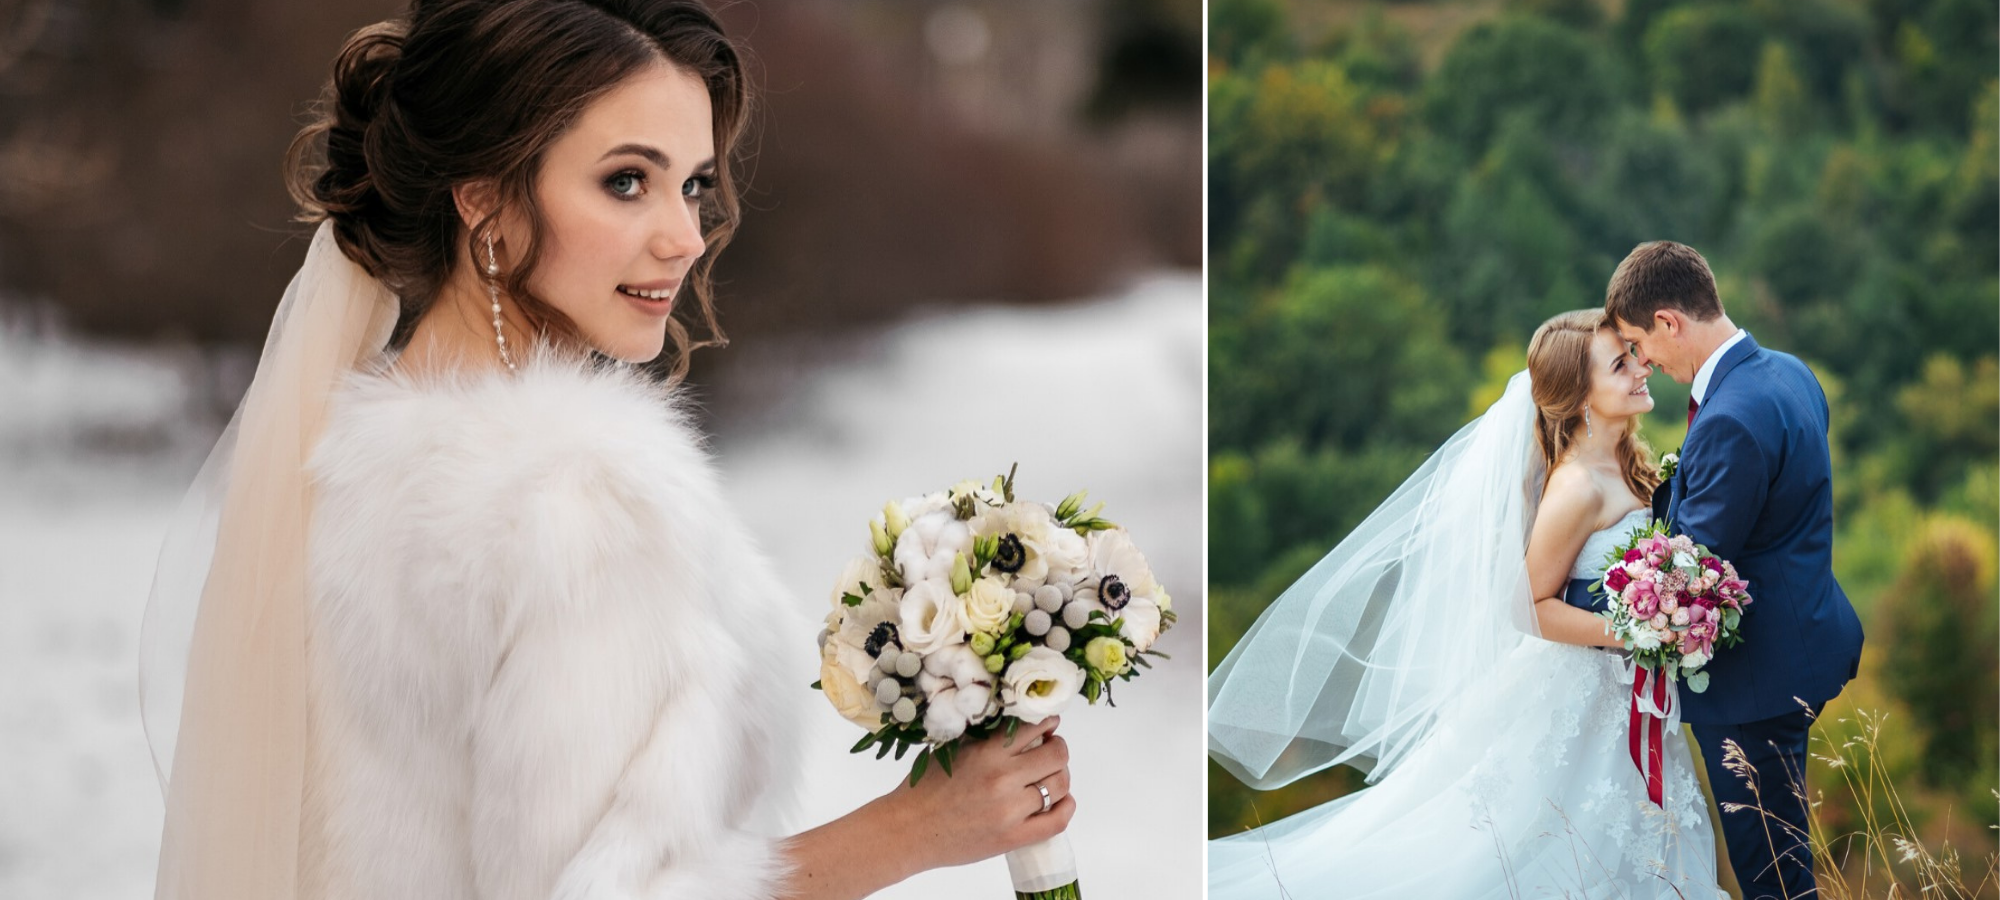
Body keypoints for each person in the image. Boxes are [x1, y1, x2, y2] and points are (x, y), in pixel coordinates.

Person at [138, 3, 1073, 899]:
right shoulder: (575, 499)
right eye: (627, 180)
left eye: (693, 183)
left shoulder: (347, 455)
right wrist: (922, 827)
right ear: (487, 202)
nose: (685, 236)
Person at [1207, 309, 1722, 898]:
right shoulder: (1577, 486)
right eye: (1620, 363)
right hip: (1583, 697)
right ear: (1581, 395)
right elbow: (1526, 605)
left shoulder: (1628, 464)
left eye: (1634, 355)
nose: (1640, 368)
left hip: (1625, 697)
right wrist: (1637, 633)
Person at [1608, 241, 1863, 900]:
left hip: (1755, 681)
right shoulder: (1788, 372)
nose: (1646, 363)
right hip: (1806, 637)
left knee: (1773, 877)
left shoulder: (1727, 419)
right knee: (1785, 859)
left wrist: (1601, 598)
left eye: (1642, 343)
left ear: (1669, 321)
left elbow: (1691, 573)